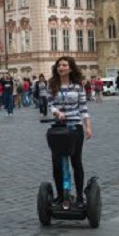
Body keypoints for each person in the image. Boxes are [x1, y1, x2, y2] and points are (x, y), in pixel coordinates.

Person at [46, 56, 92, 210]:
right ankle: (60, 195)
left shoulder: (78, 87)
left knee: (76, 161)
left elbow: (83, 109)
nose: (61, 67)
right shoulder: (52, 85)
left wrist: (88, 127)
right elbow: (50, 105)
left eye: (65, 65)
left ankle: (79, 196)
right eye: (59, 65)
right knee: (57, 162)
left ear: (71, 68)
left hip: (74, 127)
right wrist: (57, 112)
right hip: (58, 128)